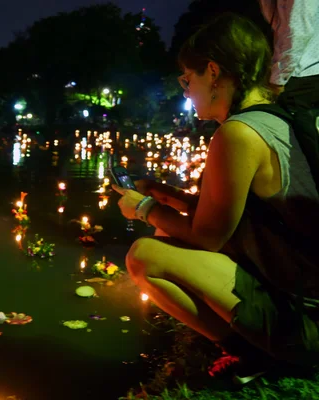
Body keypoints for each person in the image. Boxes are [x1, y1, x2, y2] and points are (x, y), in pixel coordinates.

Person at [112, 13, 319, 385]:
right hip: (299, 290)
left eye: (187, 79)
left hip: (302, 320)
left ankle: (254, 354)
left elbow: (209, 236)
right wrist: (164, 193)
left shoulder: (239, 134)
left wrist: (142, 209)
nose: (186, 91)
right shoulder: (272, 117)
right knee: (167, 237)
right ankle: (254, 340)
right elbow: (233, 216)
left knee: (144, 256)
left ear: (213, 72)